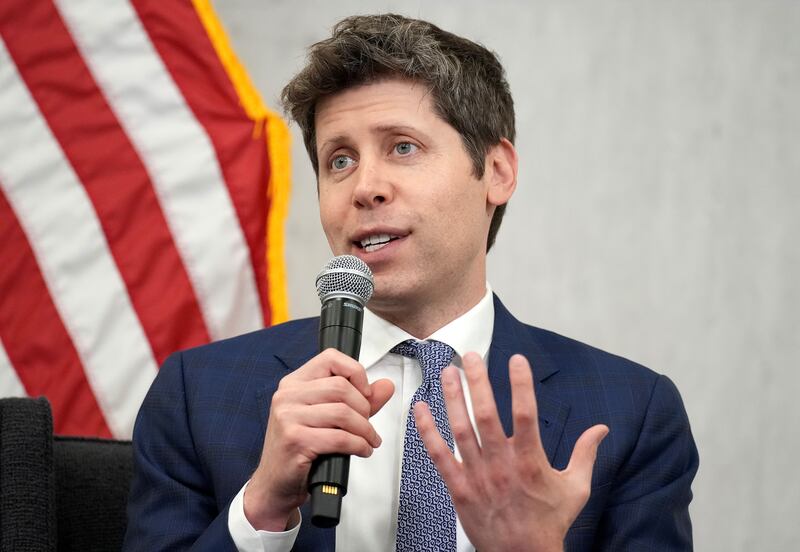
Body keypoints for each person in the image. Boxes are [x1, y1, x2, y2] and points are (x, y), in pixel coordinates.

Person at [123, 13, 698, 552]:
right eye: (339, 160)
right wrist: (261, 511)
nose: (364, 188)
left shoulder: (631, 412)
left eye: (403, 147)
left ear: (497, 172)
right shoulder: (196, 395)